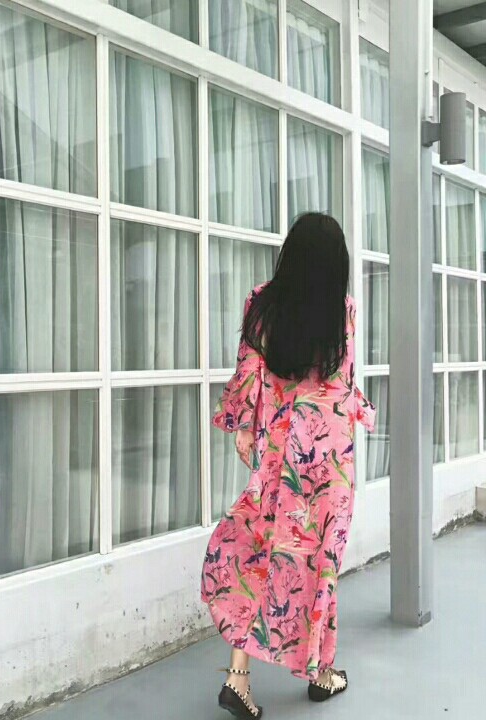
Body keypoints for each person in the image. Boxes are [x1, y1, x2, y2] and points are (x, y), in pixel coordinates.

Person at [201, 213, 376, 718]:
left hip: (279, 454)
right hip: (330, 458)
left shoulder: (262, 303)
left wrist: (241, 426)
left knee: (259, 551)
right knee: (322, 560)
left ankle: (238, 678)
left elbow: (248, 372)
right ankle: (320, 673)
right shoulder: (343, 310)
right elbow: (341, 383)